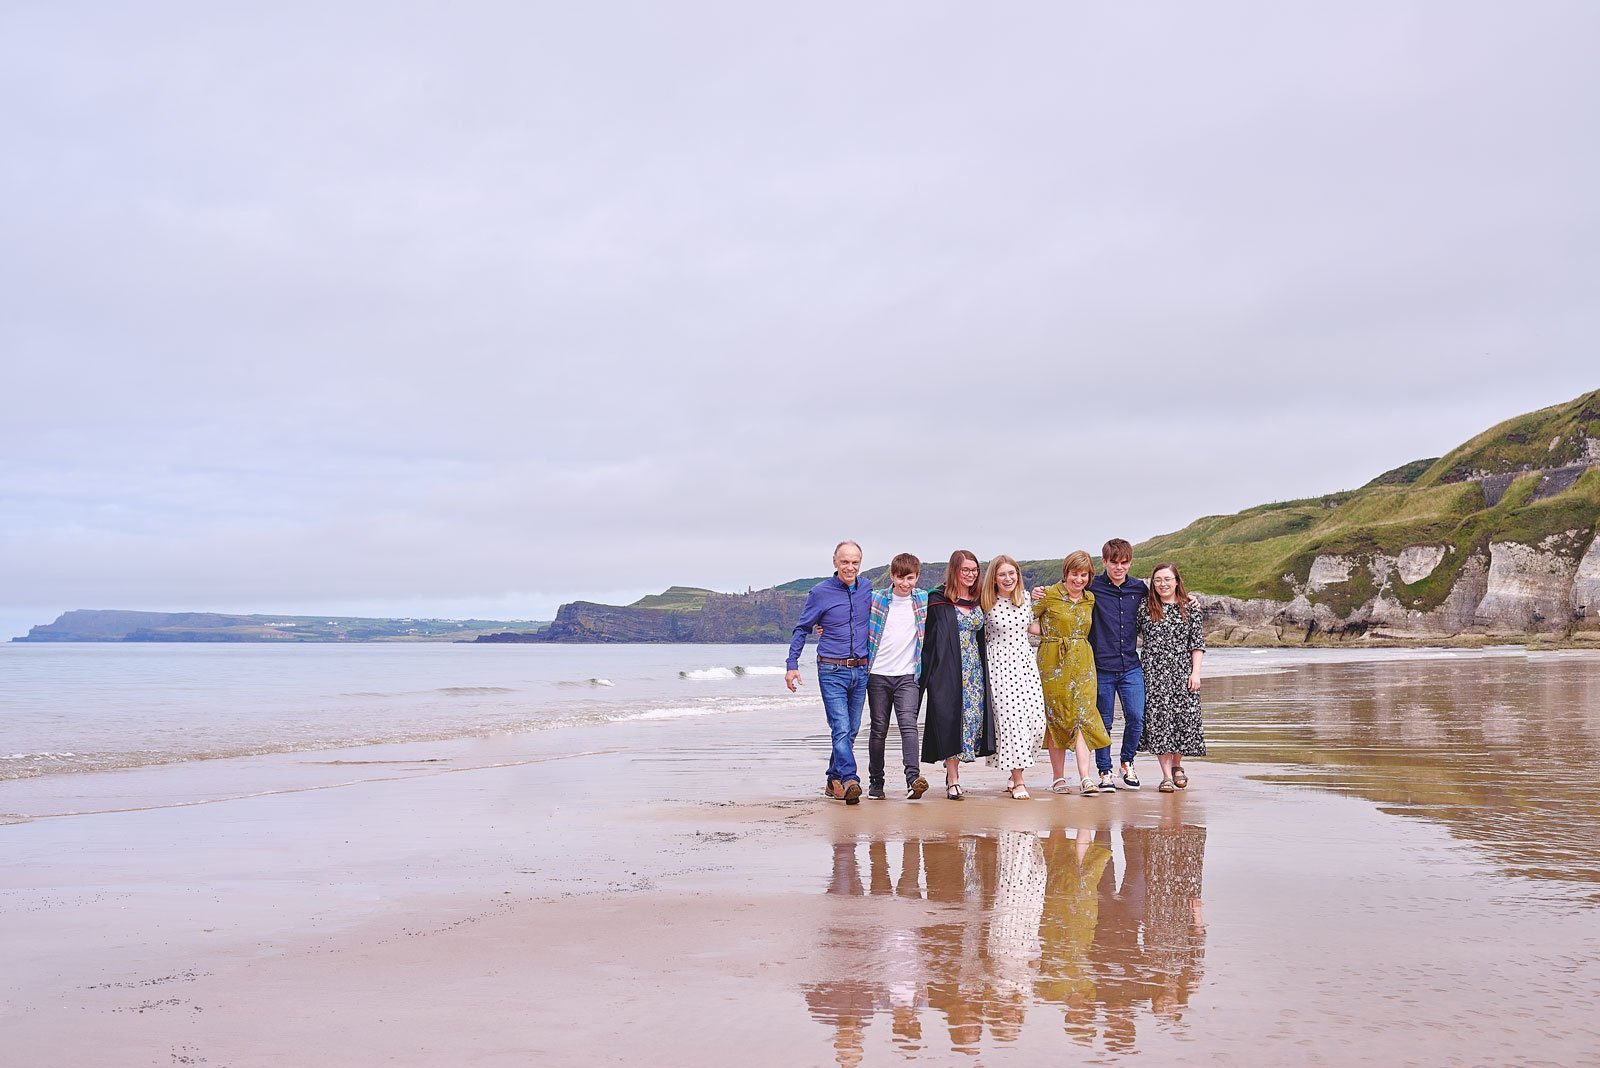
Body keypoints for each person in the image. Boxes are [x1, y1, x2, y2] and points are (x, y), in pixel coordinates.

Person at [785, 540, 875, 804]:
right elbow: (802, 628)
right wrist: (792, 665)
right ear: (835, 562)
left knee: (852, 730)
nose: (850, 567)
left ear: (860, 563)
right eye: (845, 561)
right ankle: (850, 780)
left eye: (855, 562)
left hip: (861, 670)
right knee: (841, 727)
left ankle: (832, 780)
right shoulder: (820, 592)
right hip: (831, 669)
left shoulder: (867, 588)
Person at [1030, 550, 1111, 797]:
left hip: (1083, 662)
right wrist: (1048, 633)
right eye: (1074, 574)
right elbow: (1023, 619)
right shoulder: (1048, 594)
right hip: (1053, 663)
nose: (1079, 579)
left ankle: (1085, 777)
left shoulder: (1090, 598)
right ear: (1066, 573)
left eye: (1084, 575)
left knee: (1084, 716)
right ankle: (1058, 778)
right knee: (1056, 717)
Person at [920, 549, 993, 799]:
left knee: (968, 721)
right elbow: (917, 627)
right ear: (954, 571)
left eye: (974, 570)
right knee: (949, 720)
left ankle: (953, 769)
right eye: (965, 570)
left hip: (973, 672)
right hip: (945, 669)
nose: (971, 575)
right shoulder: (937, 599)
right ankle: (953, 779)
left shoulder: (979, 598)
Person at [865, 553, 931, 800]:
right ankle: (876, 783)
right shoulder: (876, 599)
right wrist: (822, 626)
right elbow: (847, 613)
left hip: (908, 675)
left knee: (908, 725)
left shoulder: (923, 599)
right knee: (878, 729)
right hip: (877, 675)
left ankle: (913, 780)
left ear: (917, 577)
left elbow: (953, 594)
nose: (905, 583)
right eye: (900, 578)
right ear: (892, 576)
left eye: (910, 578)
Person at [980, 555, 1046, 799]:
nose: (1008, 578)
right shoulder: (986, 603)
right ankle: (1018, 780)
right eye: (1002, 574)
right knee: (1013, 722)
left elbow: (1031, 627)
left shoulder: (1025, 598)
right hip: (999, 666)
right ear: (994, 578)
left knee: (1037, 723)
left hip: (1026, 665)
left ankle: (1014, 773)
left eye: (1012, 573)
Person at [1138, 563, 1206, 792]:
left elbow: (1197, 644)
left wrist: (1196, 673)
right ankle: (1166, 775)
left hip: (1182, 673)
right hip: (1153, 674)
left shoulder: (1190, 607)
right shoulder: (1145, 607)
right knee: (1160, 722)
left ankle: (1177, 765)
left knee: (1182, 720)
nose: (1162, 584)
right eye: (1157, 580)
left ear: (1177, 581)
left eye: (1167, 579)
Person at [1088, 538, 1149, 792]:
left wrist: (1187, 599)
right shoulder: (1092, 586)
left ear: (1130, 562)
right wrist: (1039, 592)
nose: (1119, 567)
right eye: (1114, 562)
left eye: (1124, 562)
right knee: (1104, 723)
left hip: (1131, 666)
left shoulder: (1139, 588)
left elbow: (1165, 599)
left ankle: (1127, 762)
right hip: (1101, 666)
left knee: (1136, 717)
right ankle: (1104, 771)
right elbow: (1066, 590)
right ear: (1104, 561)